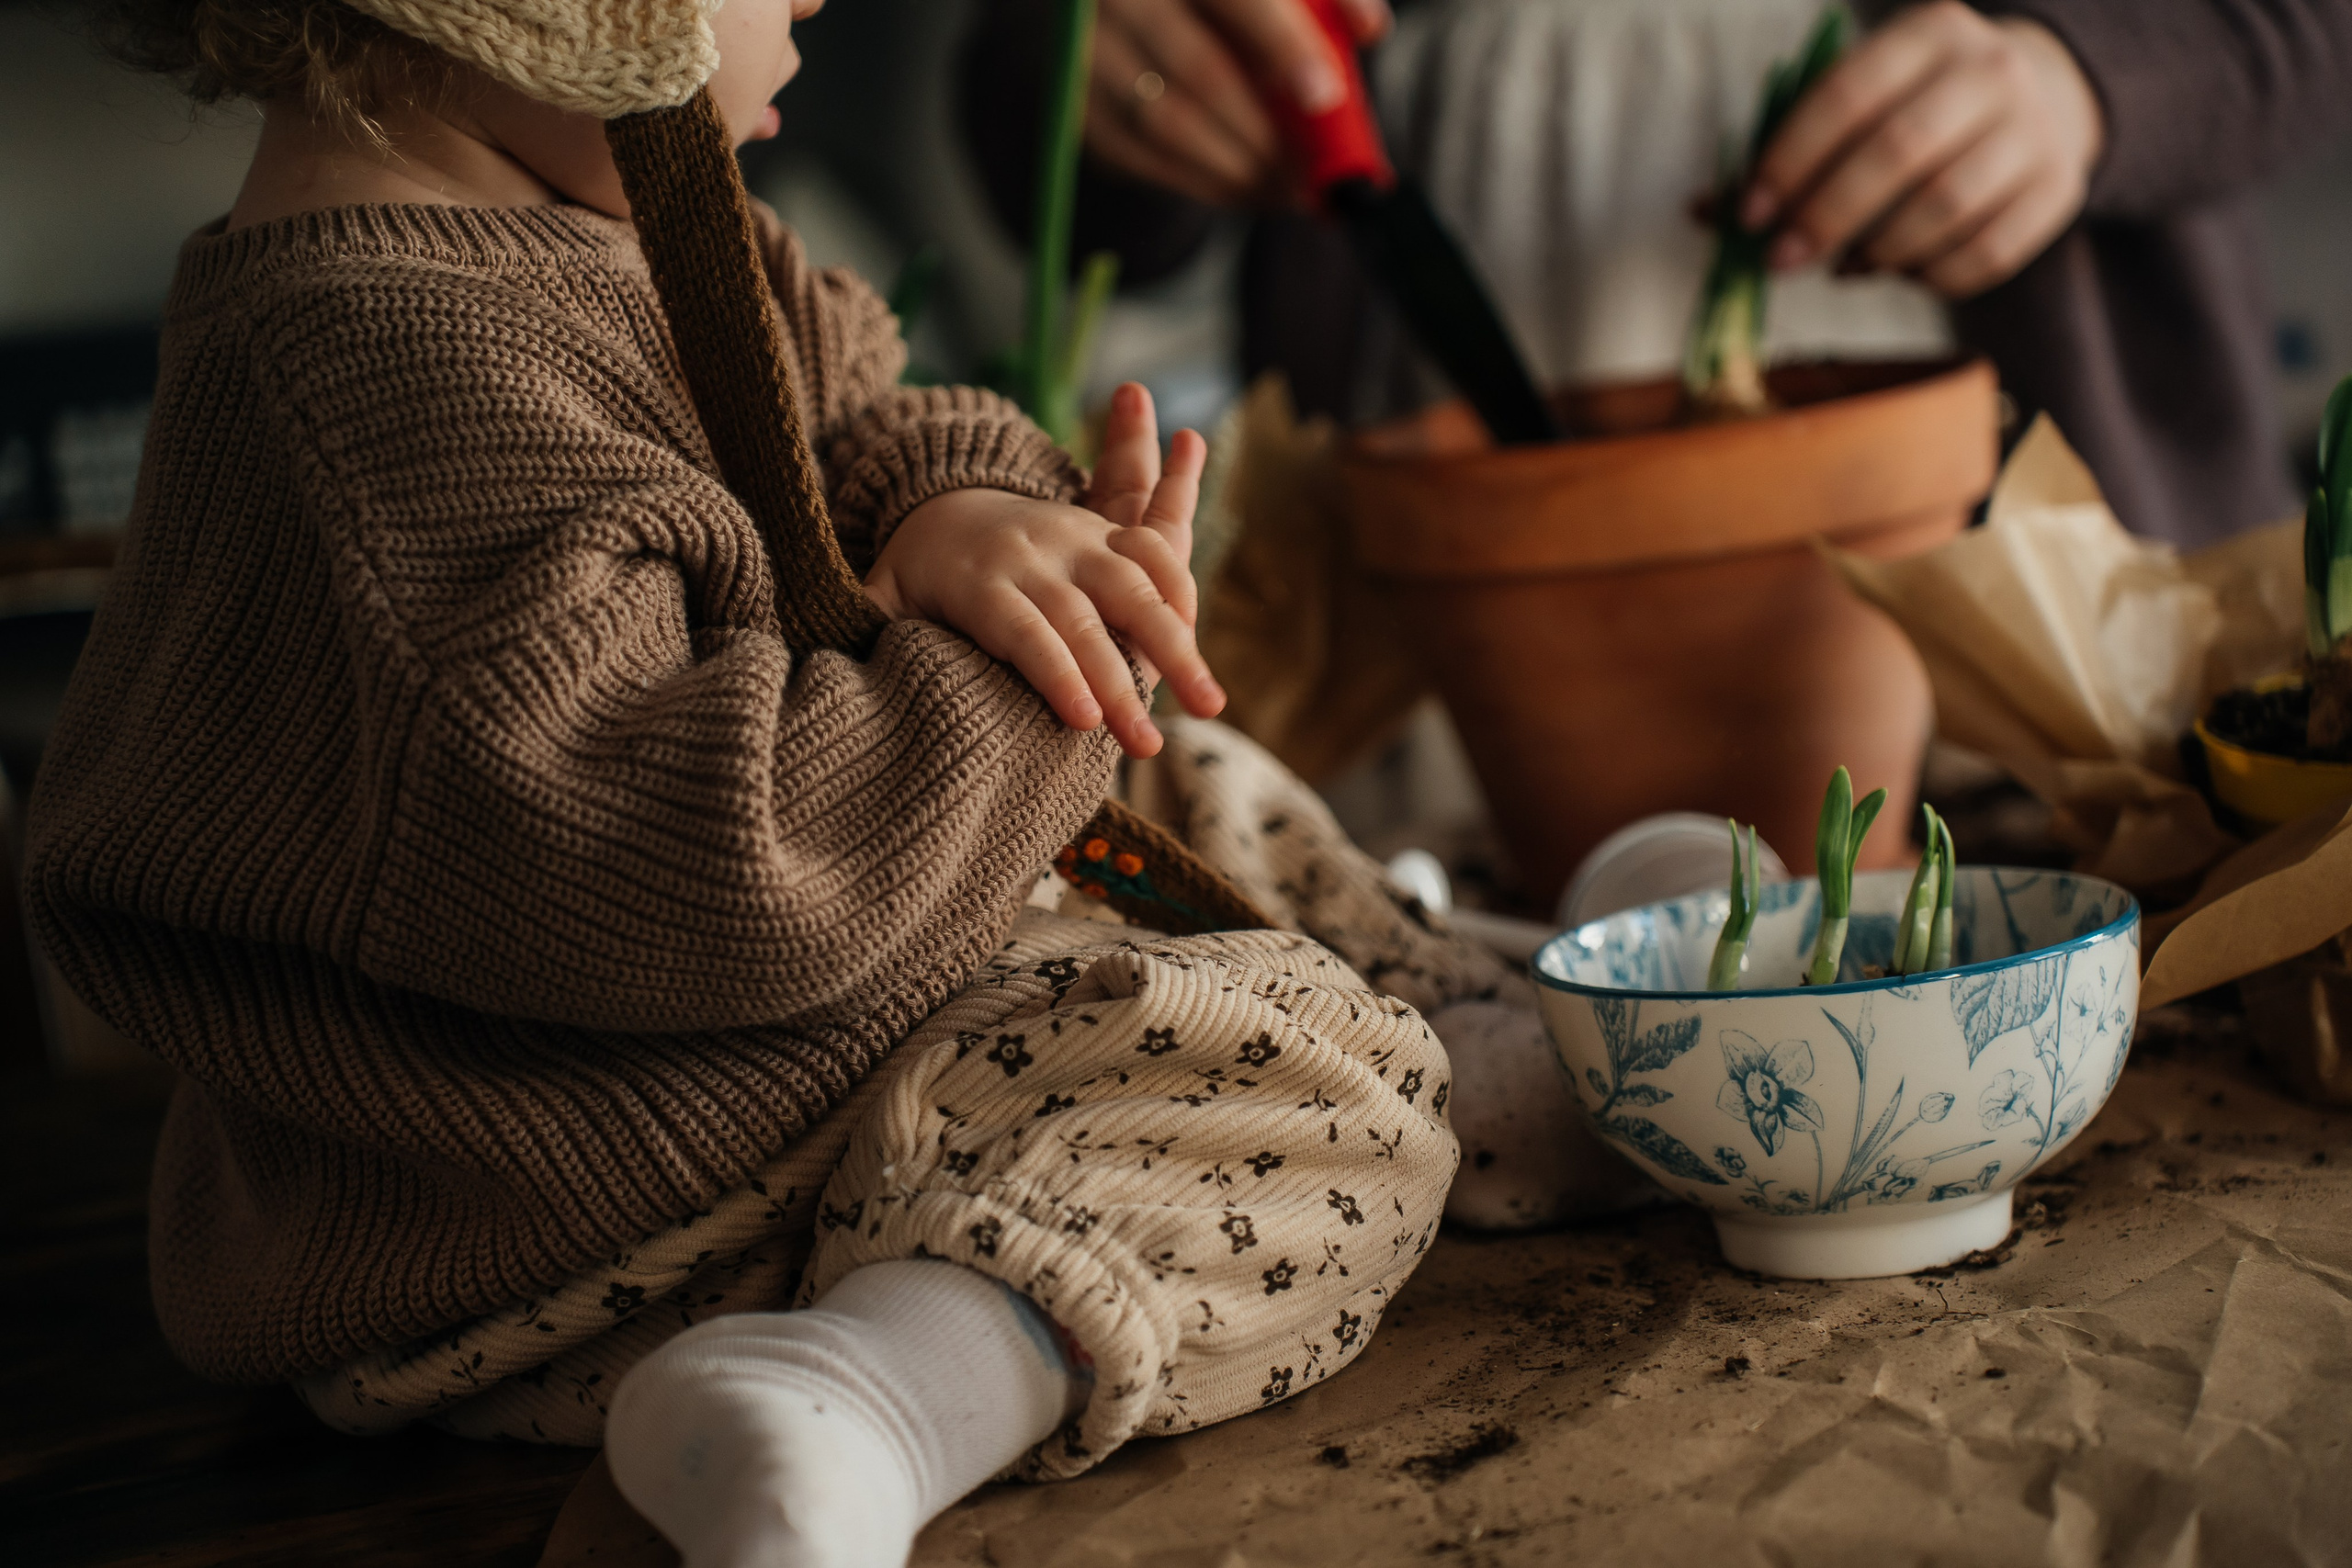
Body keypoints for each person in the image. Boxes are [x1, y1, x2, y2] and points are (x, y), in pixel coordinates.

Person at [20, 0, 1604, 1562]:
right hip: (556, 1222)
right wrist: (1020, 684)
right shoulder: (390, 377)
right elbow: (726, 871)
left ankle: (1481, 1003)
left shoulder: (640, 226)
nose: (814, 4)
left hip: (731, 1055)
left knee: (1174, 762)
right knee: (1290, 1080)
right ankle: (864, 1399)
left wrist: (962, 519)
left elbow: (850, 417)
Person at [967, 0, 2352, 548]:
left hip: (2037, 638)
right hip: (1421, 655)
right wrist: (1104, 55)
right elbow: (1051, 157)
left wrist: (2090, 84)